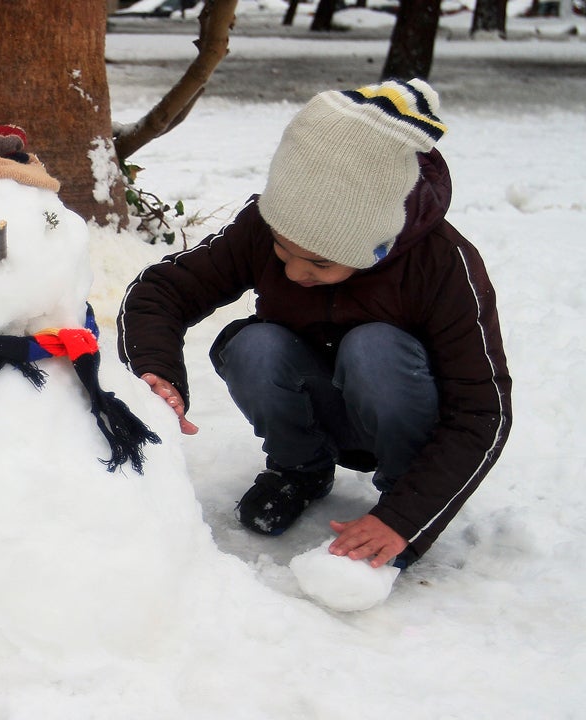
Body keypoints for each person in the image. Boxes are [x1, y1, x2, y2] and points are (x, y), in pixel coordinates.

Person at [116, 79, 511, 572]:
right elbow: (161, 290)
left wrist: (405, 517)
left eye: (320, 263)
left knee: (375, 348)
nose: (294, 272)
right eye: (282, 251)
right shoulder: (266, 224)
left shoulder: (443, 266)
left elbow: (482, 412)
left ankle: (399, 492)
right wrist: (158, 372)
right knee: (253, 345)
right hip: (314, 394)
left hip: (402, 412)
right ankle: (300, 468)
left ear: (376, 247)